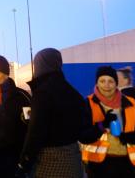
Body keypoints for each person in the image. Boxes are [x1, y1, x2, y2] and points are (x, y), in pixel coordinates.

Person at [17, 48, 88, 178]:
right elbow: (83, 128)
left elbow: (35, 134)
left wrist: (24, 164)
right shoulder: (73, 92)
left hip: (49, 163)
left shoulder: (42, 93)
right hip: (74, 160)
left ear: (40, 66)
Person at [81, 66, 135, 178]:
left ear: (116, 83)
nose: (106, 85)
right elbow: (83, 136)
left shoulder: (131, 103)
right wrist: (102, 125)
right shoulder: (89, 103)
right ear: (97, 83)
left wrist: (129, 137)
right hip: (99, 165)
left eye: (111, 81)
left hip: (129, 164)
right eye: (102, 81)